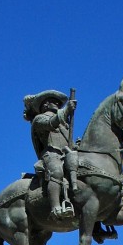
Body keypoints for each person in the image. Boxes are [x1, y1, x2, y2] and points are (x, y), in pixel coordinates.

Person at [23, 90, 78, 220]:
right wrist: (66, 110)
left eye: (58, 102)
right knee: (57, 172)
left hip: (67, 153)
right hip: (51, 154)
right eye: (53, 101)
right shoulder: (39, 119)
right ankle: (55, 208)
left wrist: (77, 145)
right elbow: (50, 124)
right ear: (45, 105)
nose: (57, 103)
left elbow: (70, 143)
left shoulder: (65, 124)